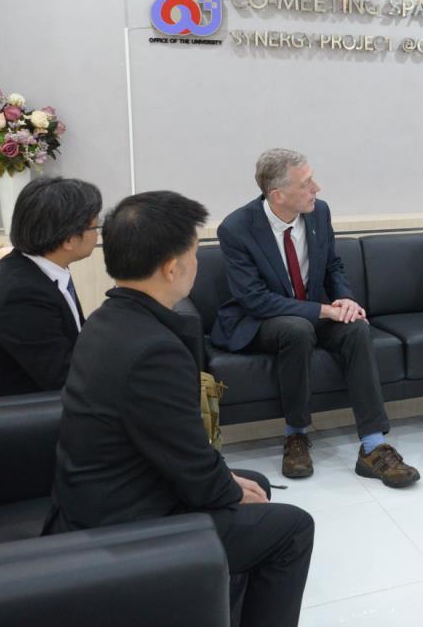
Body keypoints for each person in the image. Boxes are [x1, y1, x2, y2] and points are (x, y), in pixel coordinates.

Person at [45, 191, 314, 627]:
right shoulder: (153, 351)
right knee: (292, 528)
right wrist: (225, 487)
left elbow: (173, 445)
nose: (197, 264)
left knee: (256, 484)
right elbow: (189, 462)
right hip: (124, 524)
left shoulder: (107, 319)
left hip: (101, 494)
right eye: (194, 254)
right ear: (172, 268)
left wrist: (226, 482)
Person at [213, 149, 419, 486]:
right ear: (278, 195)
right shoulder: (237, 228)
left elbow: (332, 264)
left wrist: (345, 299)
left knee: (355, 328)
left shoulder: (318, 213)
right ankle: (296, 434)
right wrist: (324, 310)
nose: (317, 188)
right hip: (260, 320)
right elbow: (255, 299)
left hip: (308, 311)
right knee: (296, 330)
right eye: (306, 183)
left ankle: (373, 445)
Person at [0, 177, 102, 397]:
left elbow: (75, 338)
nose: (97, 234)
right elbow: (63, 378)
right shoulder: (22, 295)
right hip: (30, 410)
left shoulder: (38, 266)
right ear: (69, 240)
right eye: (95, 226)